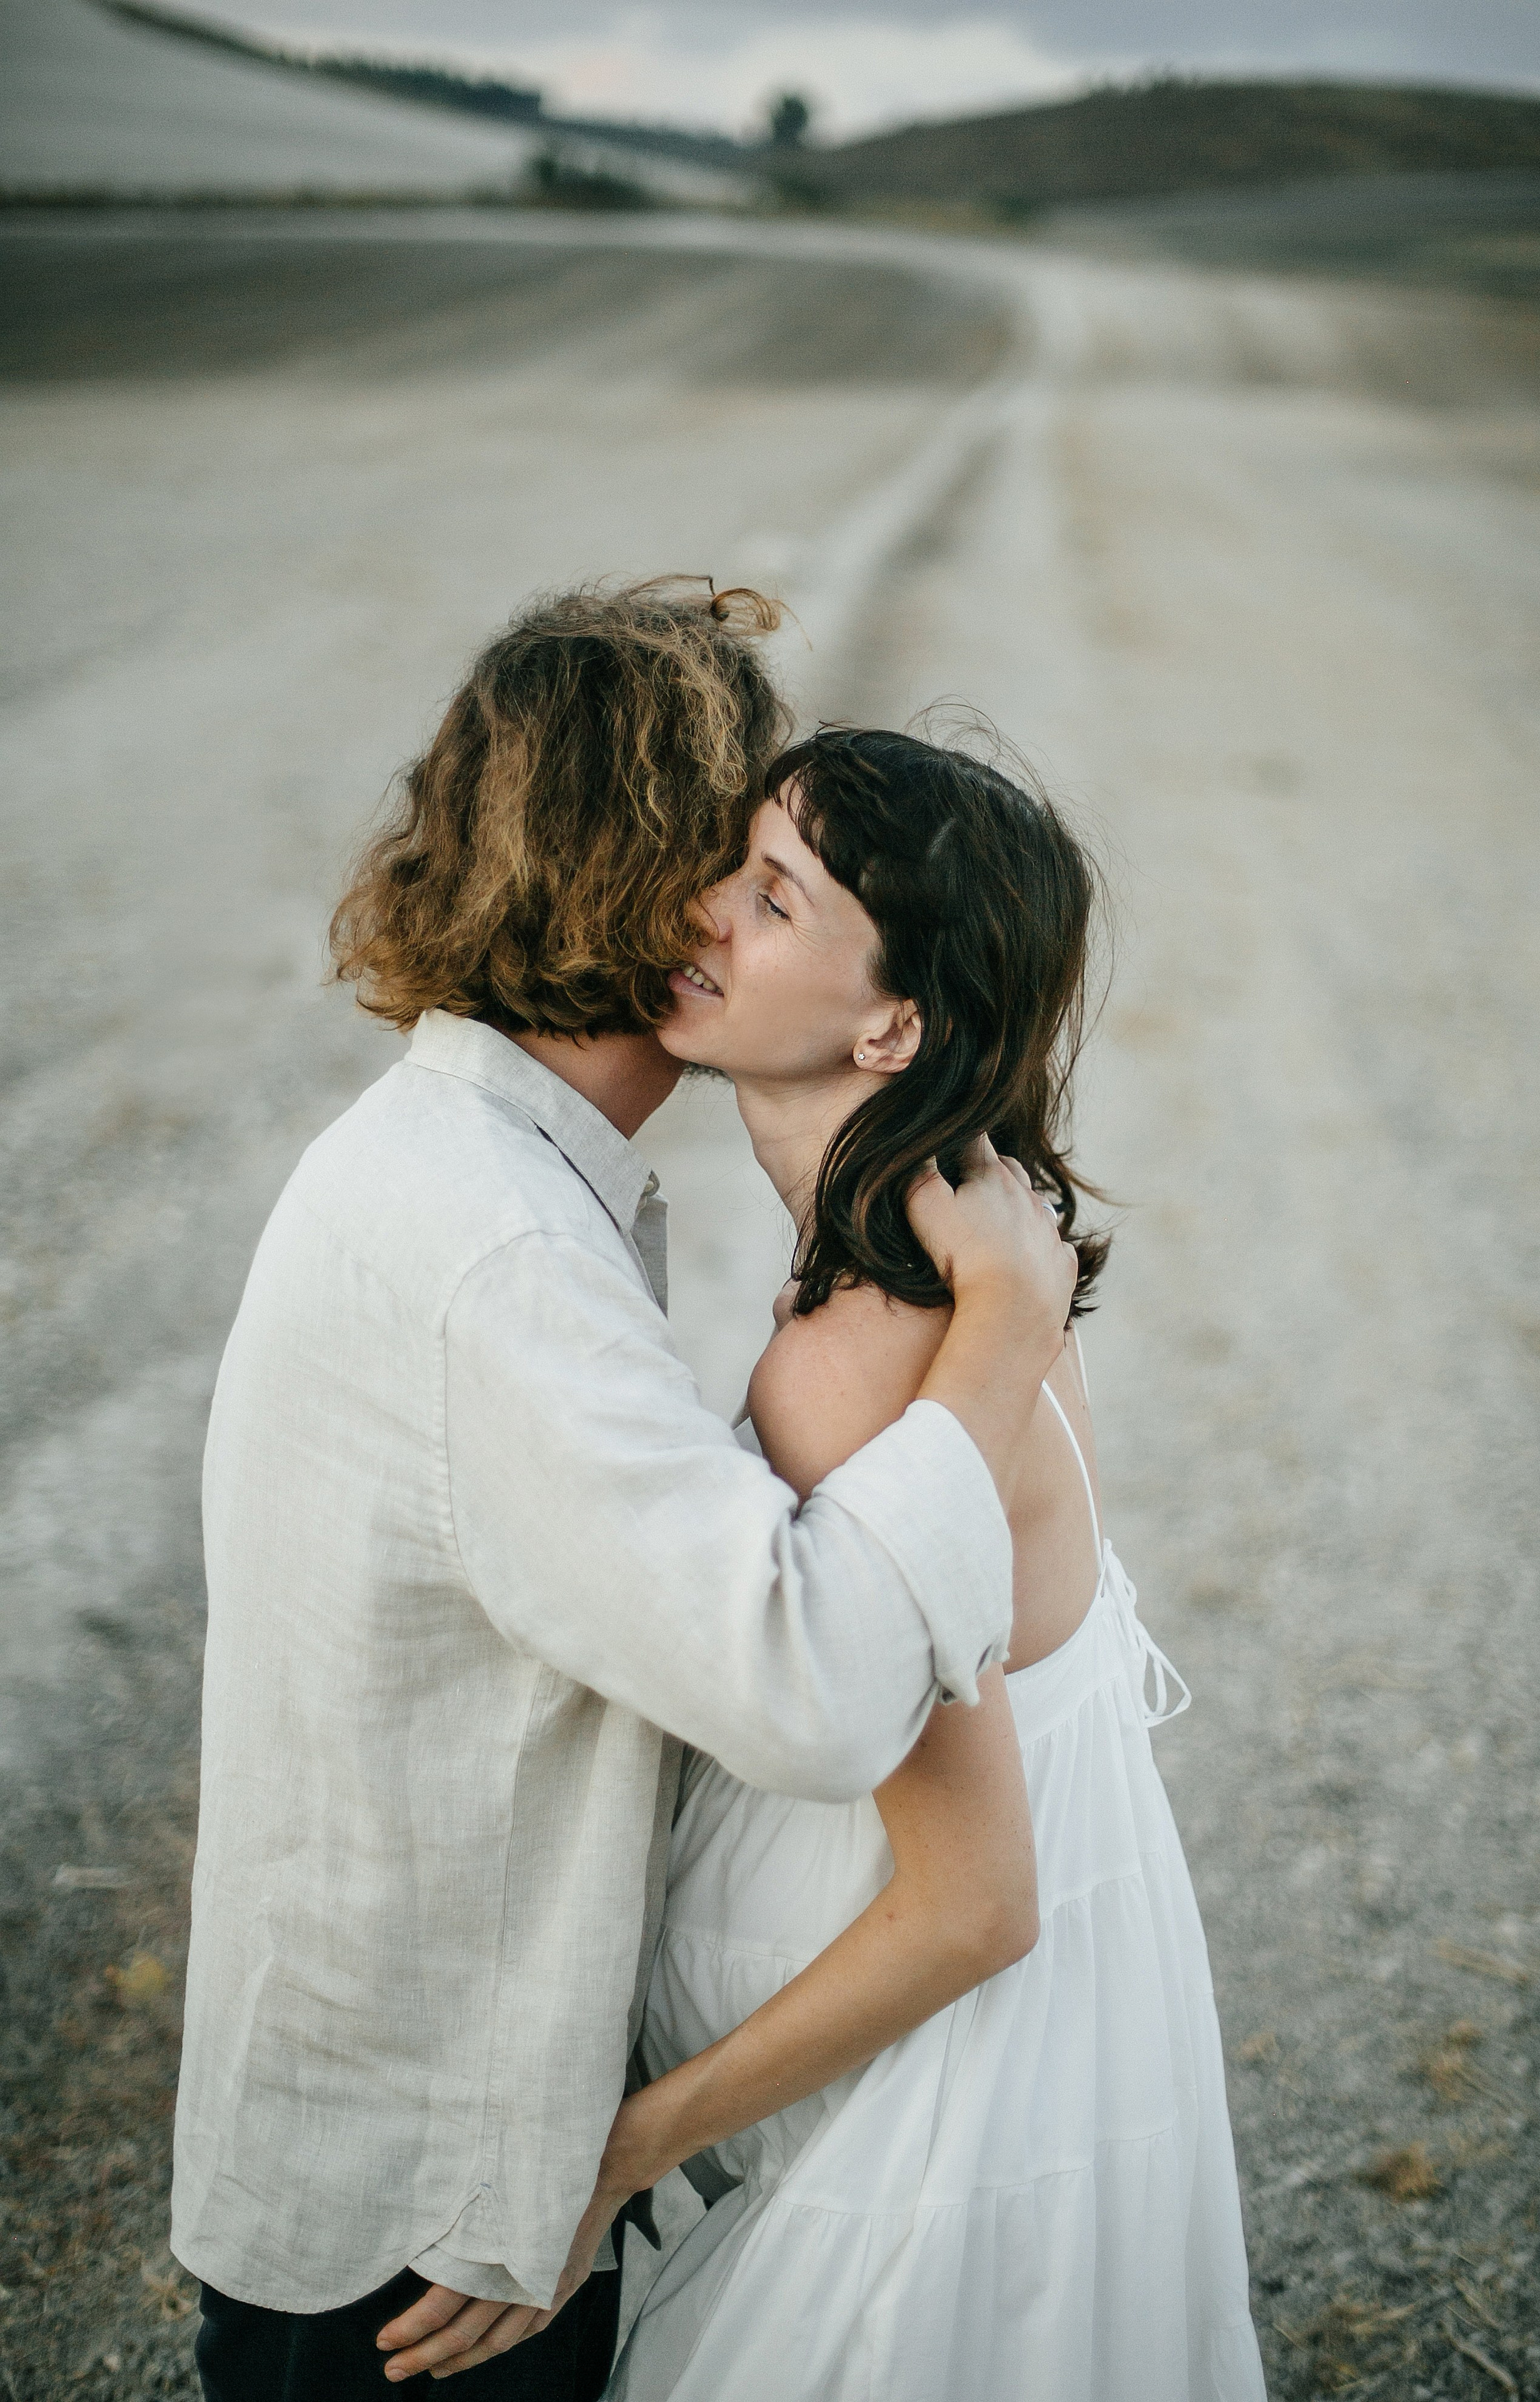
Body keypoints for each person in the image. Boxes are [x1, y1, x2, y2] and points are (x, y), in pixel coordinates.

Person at [170, 589, 1076, 2402]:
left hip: (436, 2172)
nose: (739, 904)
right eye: (735, 856)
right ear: (650, 882)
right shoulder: (497, 1250)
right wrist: (1003, 1331)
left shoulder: (458, 1169)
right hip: (426, 2231)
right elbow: (810, 1690)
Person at [506, 727, 1266, 2399]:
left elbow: (975, 1907)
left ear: (892, 1024)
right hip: (1012, 2068)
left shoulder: (866, 1352)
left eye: (770, 896)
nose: (700, 912)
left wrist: (618, 2157)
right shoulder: (972, 1238)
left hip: (946, 2126)